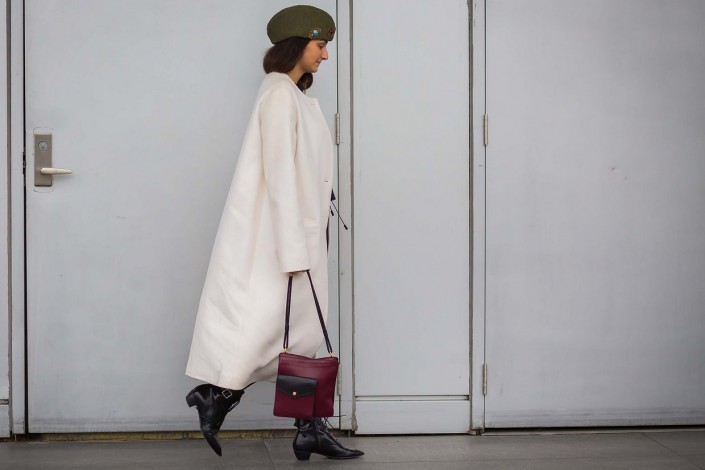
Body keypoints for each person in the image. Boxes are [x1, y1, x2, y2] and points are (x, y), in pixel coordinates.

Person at [184, 5, 363, 461]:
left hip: (297, 235)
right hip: (285, 241)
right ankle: (219, 396)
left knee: (299, 335)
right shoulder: (280, 95)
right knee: (277, 331)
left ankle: (305, 426)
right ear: (297, 45)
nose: (325, 55)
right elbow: (280, 175)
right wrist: (294, 249)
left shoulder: (290, 94)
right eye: (320, 45)